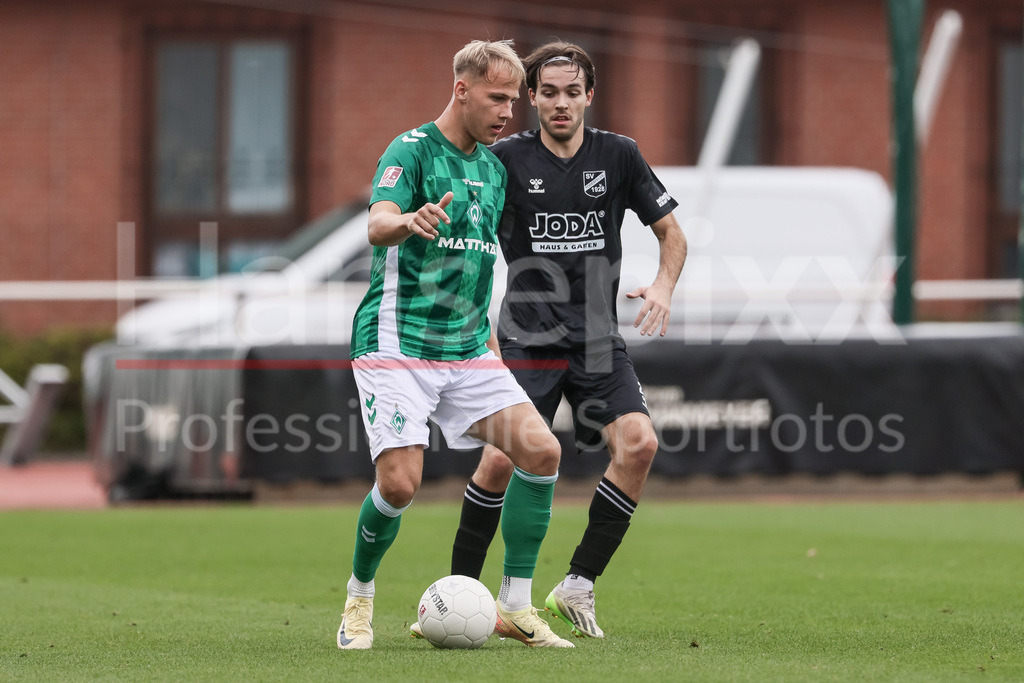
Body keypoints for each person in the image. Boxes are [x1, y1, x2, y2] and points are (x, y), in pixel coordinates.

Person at [337, 39, 574, 650]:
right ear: (461, 90)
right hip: (397, 343)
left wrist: (489, 344)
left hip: (467, 349)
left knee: (541, 451)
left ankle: (515, 606)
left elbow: (479, 267)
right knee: (399, 485)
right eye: (497, 98)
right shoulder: (411, 150)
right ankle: (359, 598)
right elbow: (376, 222)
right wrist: (407, 220)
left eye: (513, 101)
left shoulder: (493, 170)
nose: (508, 113)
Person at [447, 41, 687, 640]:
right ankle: (456, 596)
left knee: (639, 446)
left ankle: (578, 585)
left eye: (572, 92)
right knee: (500, 459)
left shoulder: (619, 155)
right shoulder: (504, 160)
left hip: (597, 341)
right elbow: (468, 247)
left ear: (589, 96)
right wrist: (476, 326)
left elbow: (672, 234)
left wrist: (662, 286)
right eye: (549, 92)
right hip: (527, 341)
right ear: (531, 97)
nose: (561, 103)